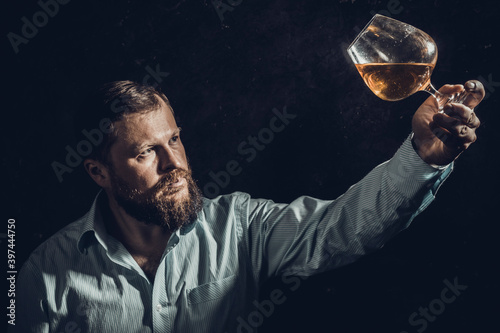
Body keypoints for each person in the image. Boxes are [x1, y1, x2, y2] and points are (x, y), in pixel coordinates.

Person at [12, 80, 483, 333]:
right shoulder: (43, 273)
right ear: (98, 172)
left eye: (174, 139)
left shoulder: (238, 226)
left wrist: (421, 159)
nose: (175, 163)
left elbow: (340, 228)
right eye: (145, 153)